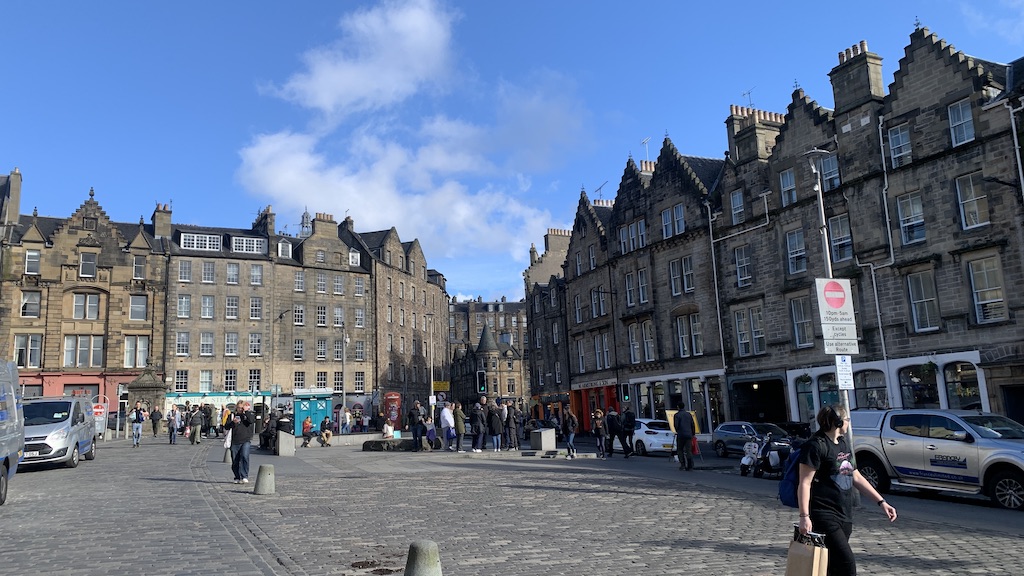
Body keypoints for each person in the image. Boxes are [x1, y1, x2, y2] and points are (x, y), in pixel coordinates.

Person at [798, 405, 897, 576]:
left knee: (832, 567)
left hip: (844, 512)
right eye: (847, 419)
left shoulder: (842, 444)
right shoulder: (815, 446)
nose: (849, 423)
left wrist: (881, 502)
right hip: (823, 514)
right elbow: (804, 483)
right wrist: (804, 517)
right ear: (838, 422)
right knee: (847, 563)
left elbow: (855, 476)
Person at [225, 400, 256, 484]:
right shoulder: (232, 415)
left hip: (246, 440)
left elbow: (251, 421)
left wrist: (246, 412)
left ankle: (244, 476)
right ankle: (237, 476)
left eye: (242, 408)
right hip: (235, 440)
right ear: (236, 408)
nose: (240, 409)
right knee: (235, 460)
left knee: (245, 457)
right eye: (239, 408)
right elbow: (226, 427)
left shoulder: (248, 415)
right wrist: (233, 423)